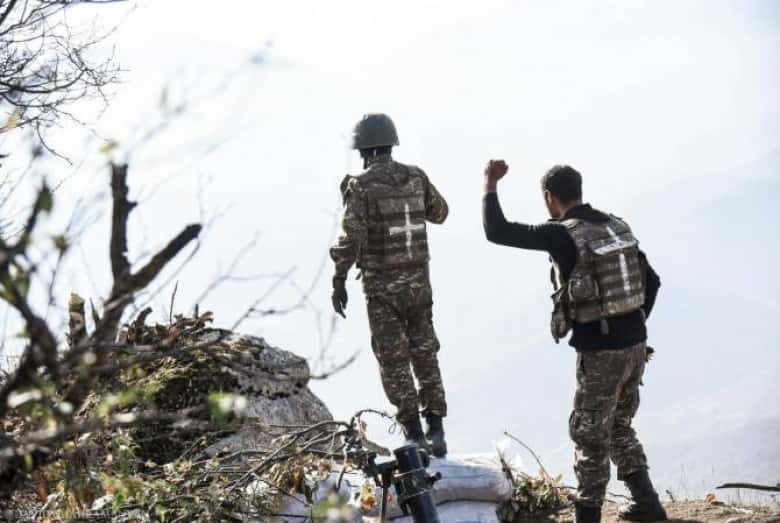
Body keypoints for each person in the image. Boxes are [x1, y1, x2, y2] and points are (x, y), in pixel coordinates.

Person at [482, 160, 667, 523]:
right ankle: (647, 502)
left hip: (602, 350)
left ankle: (588, 516)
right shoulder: (617, 226)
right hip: (635, 343)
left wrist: (490, 184)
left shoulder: (562, 235)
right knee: (619, 425)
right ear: (579, 191)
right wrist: (634, 328)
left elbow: (497, 231)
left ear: (549, 198)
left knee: (590, 435)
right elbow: (653, 281)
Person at [329, 113, 449, 457]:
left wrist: (339, 279)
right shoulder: (416, 177)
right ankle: (436, 429)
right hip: (419, 285)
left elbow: (351, 238)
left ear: (363, 150)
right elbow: (440, 213)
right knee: (425, 352)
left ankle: (414, 434)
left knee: (394, 359)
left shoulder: (360, 186)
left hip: (383, 290)